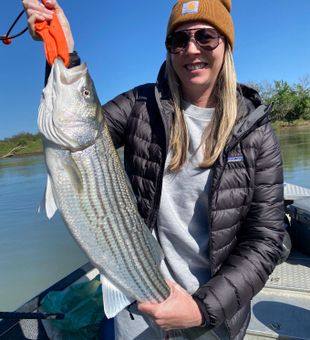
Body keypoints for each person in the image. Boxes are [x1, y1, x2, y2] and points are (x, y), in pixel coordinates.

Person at [22, 0, 285, 339]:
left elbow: (264, 240)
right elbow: (80, 119)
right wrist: (63, 52)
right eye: (178, 40)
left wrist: (201, 310)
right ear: (168, 49)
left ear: (226, 45)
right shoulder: (139, 106)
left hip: (215, 312)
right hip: (137, 291)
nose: (191, 49)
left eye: (206, 37)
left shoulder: (255, 131)